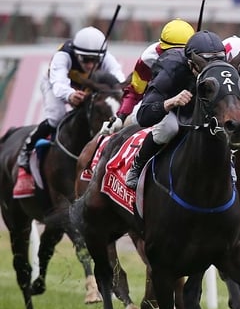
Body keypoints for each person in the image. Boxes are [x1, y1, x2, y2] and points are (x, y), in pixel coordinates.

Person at [16, 26, 126, 182]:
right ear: (76, 53)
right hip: (54, 84)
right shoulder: (63, 56)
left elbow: (118, 83)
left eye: (94, 60)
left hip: (86, 87)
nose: (90, 64)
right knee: (56, 117)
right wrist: (70, 95)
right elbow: (59, 83)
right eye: (85, 60)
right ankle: (26, 152)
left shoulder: (107, 58)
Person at [124, 30, 227, 189]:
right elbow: (145, 115)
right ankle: (137, 165)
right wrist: (171, 102)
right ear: (191, 63)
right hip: (173, 109)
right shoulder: (170, 69)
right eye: (206, 66)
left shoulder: (222, 68)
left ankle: (230, 166)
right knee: (169, 128)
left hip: (200, 109)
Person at [104, 19, 195, 133]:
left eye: (180, 53)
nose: (175, 57)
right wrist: (121, 117)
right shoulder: (148, 58)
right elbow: (135, 91)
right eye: (170, 52)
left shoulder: (199, 55)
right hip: (155, 105)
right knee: (168, 129)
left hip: (190, 106)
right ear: (161, 47)